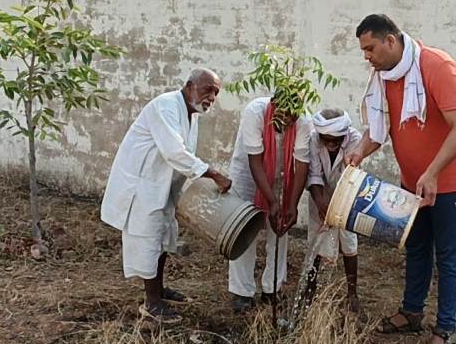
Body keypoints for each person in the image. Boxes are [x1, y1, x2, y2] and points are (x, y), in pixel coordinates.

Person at [347, 14, 456, 344]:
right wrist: (360, 150)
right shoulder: (384, 76)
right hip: (413, 183)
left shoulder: (437, 65)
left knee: (449, 256)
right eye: (363, 50)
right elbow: (379, 128)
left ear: (391, 40)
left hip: (449, 182)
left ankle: (445, 329)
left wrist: (433, 172)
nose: (366, 57)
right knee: (417, 248)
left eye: (370, 48)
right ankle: (412, 313)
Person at [101, 68, 232, 325]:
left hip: (161, 189)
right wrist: (214, 174)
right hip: (141, 187)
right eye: (208, 90)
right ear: (189, 85)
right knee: (149, 241)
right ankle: (151, 303)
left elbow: (178, 158)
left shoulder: (190, 115)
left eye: (215, 94)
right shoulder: (165, 106)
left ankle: (159, 292)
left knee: (162, 240)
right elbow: (174, 152)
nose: (211, 98)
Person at [227, 93, 312, 313]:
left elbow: (302, 164)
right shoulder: (255, 112)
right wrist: (272, 201)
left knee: (280, 227)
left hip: (280, 174)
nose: (288, 121)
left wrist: (291, 205)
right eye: (284, 115)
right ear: (274, 106)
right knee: (244, 228)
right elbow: (255, 162)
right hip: (247, 172)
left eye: (293, 116)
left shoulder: (303, 122)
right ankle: (242, 292)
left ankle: (272, 288)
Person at [304, 108, 362, 313]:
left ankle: (352, 292)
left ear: (343, 135)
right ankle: (309, 289)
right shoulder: (312, 139)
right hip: (320, 194)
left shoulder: (355, 139)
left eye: (334, 140)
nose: (330, 144)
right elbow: (314, 174)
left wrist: (336, 206)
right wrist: (320, 203)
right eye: (325, 139)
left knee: (348, 240)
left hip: (347, 194)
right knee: (316, 241)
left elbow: (352, 175)